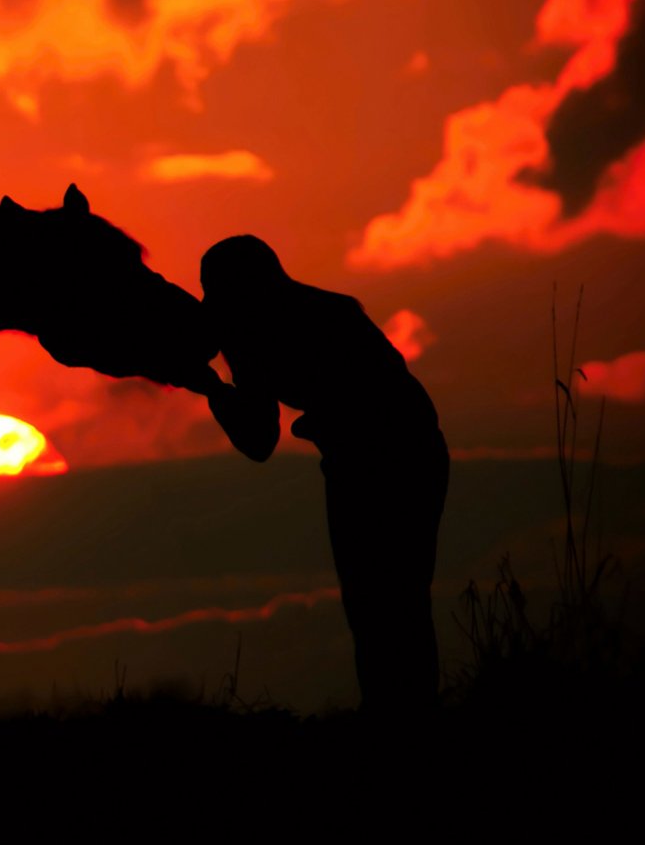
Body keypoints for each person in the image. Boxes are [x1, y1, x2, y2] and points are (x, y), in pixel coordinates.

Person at [184, 235, 448, 715]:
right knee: (389, 600)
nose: (209, 303)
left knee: (383, 601)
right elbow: (262, 438)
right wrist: (217, 390)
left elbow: (258, 441)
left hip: (382, 458)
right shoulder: (317, 313)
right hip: (390, 454)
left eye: (215, 290)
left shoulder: (259, 330)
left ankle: (400, 714)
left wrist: (213, 390)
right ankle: (405, 711)